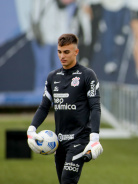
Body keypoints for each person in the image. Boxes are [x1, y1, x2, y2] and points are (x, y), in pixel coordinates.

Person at [27, 33, 103, 184]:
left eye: (66, 52)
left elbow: (95, 107)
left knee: (67, 181)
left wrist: (94, 138)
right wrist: (31, 129)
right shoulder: (52, 77)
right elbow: (44, 107)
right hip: (58, 142)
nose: (62, 56)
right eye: (59, 52)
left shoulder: (87, 75)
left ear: (76, 52)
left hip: (79, 140)